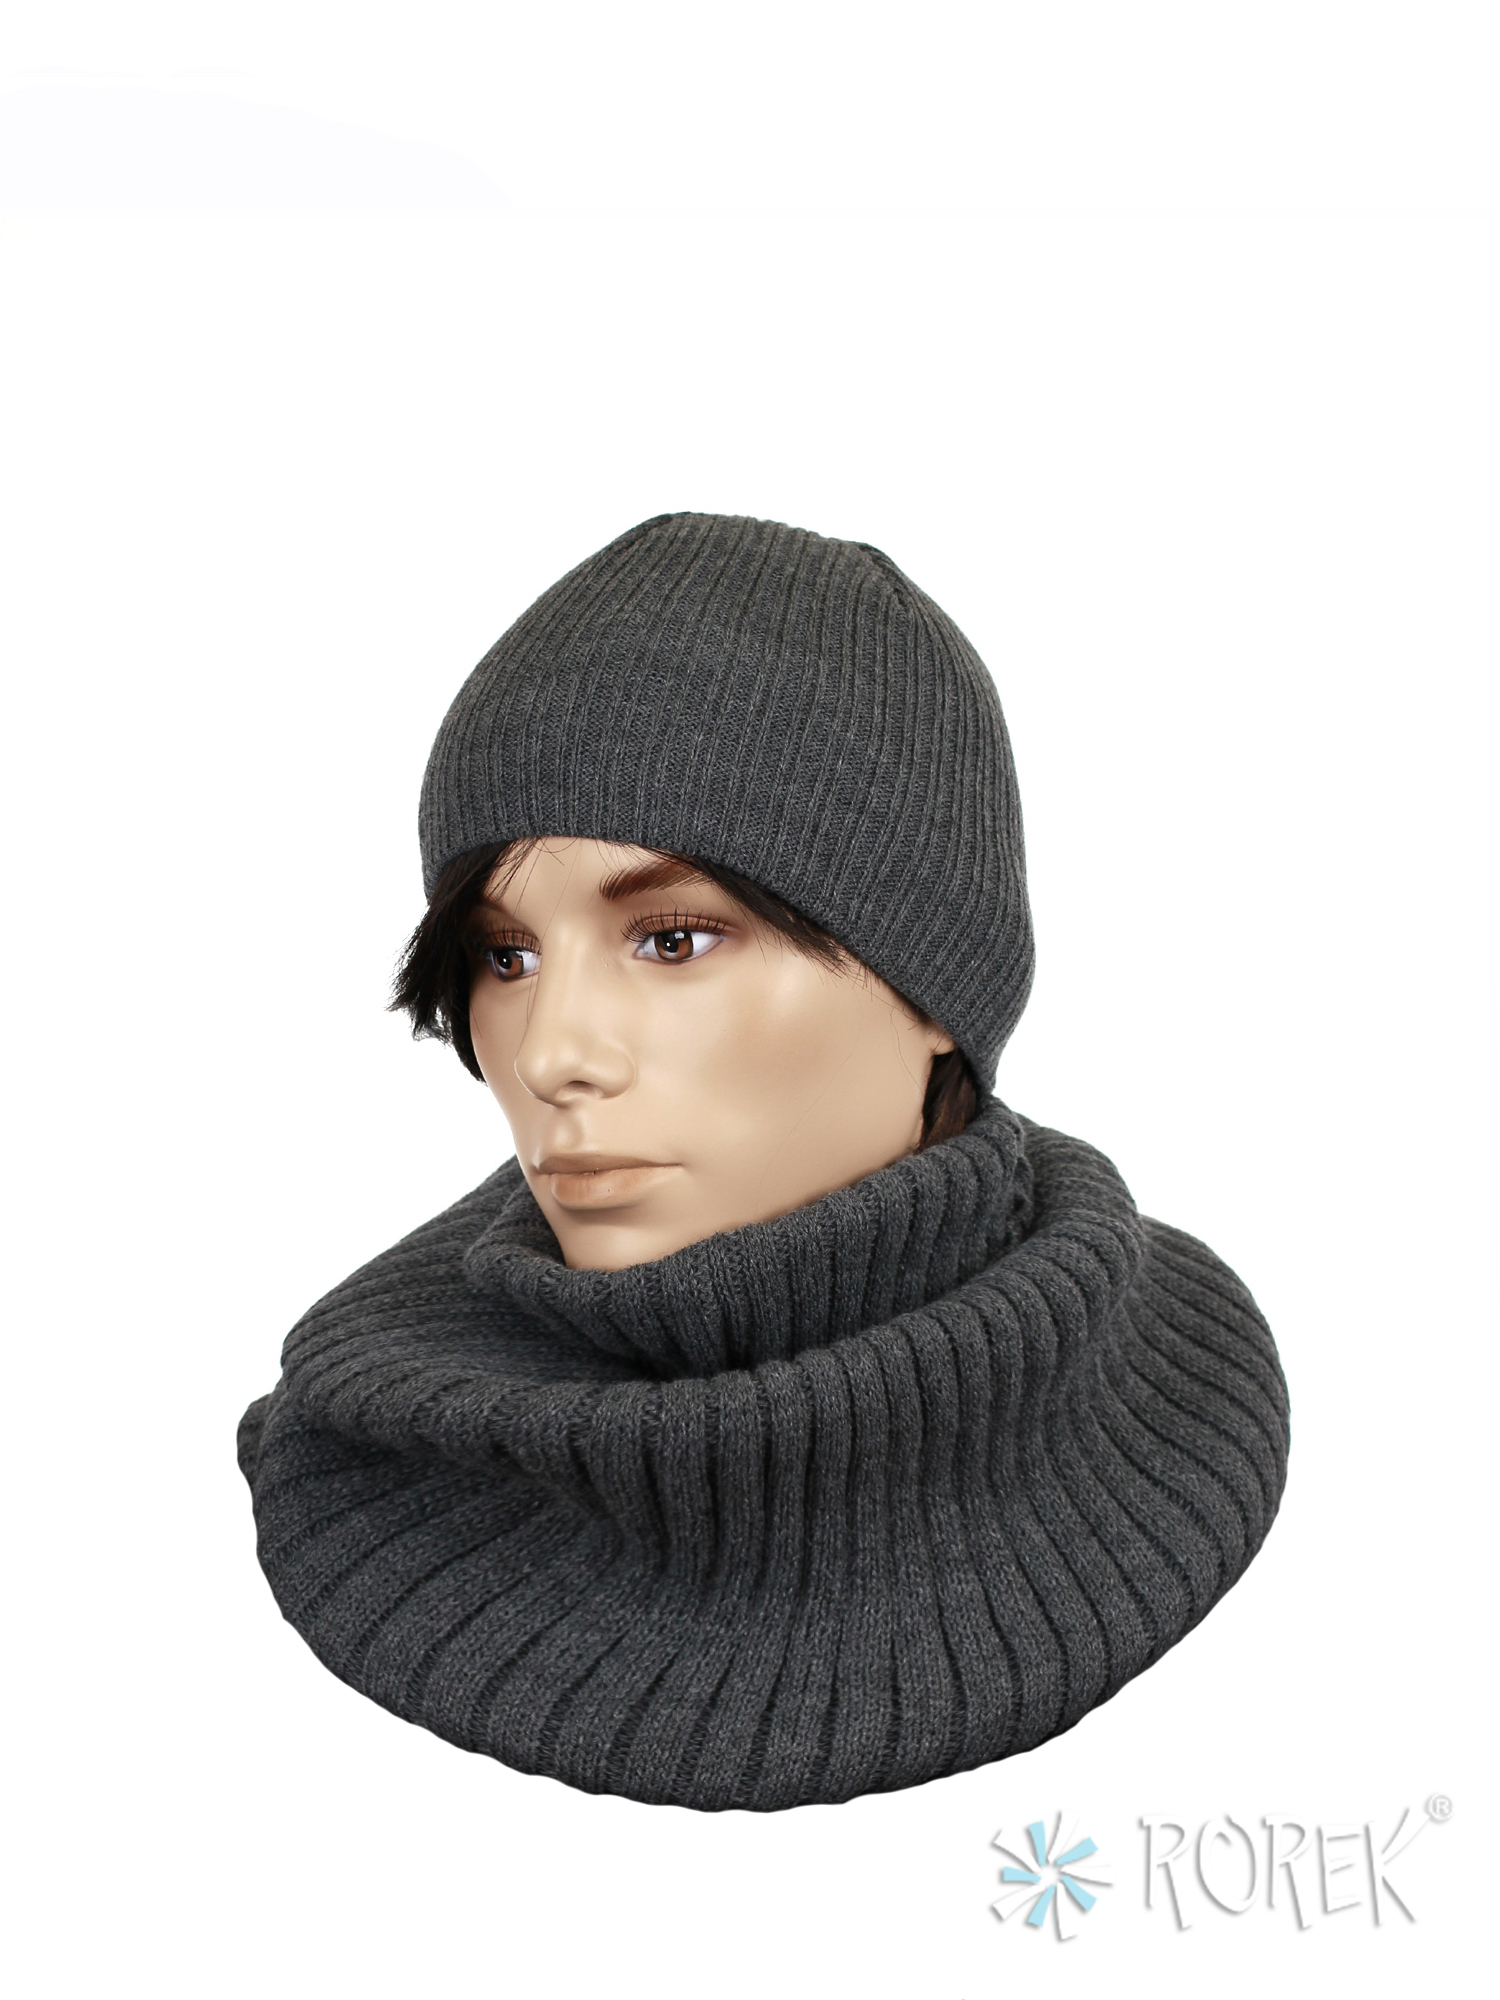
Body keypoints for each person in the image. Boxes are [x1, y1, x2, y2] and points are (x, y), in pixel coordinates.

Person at [239, 512, 1290, 1811]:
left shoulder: (1170, 1425)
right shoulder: (370, 1453)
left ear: (937, 989)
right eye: (506, 956)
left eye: (673, 941)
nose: (551, 1051)